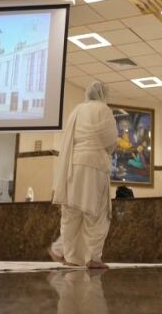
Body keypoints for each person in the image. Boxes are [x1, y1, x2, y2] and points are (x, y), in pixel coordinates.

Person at [49, 82, 118, 269]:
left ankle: (70, 256)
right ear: (103, 94)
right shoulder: (103, 109)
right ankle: (94, 257)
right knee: (95, 212)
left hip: (73, 164)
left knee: (72, 212)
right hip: (94, 165)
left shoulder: (76, 111)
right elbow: (111, 140)